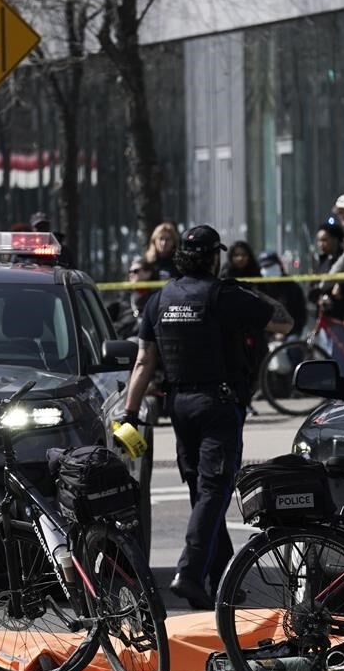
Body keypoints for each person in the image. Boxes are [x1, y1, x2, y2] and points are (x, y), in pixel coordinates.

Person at [120, 224, 293, 609]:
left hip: (179, 406)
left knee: (201, 491)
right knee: (214, 490)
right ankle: (191, 571)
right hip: (217, 404)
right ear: (215, 256)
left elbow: (143, 360)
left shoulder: (160, 298)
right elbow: (283, 321)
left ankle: (221, 578)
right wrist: (249, 293)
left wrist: (130, 413)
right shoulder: (223, 295)